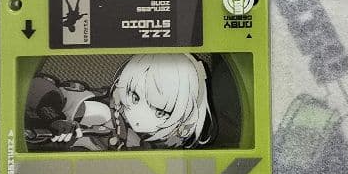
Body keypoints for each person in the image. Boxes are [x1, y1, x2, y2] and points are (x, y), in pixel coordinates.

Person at [23, 53, 214, 151]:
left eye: (160, 112)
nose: (141, 113)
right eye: (135, 97)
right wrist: (55, 119)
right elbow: (35, 87)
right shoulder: (99, 110)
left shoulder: (152, 144)